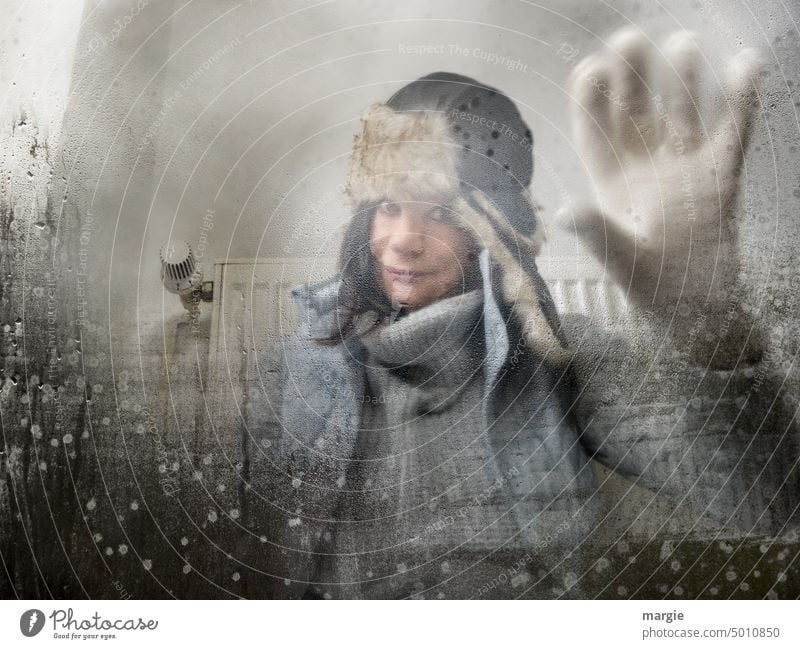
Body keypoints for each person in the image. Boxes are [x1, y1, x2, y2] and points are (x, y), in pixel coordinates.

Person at [252, 28, 799, 599]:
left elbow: (770, 503)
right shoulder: (289, 366)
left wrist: (710, 332)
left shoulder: (558, 357)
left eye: (440, 211)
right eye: (389, 205)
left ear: (491, 231)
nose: (403, 240)